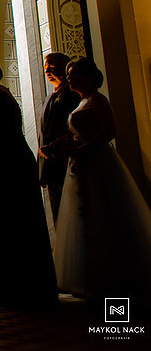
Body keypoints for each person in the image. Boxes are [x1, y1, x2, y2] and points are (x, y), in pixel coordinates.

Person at [52, 57, 151, 300]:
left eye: (74, 74)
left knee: (103, 212)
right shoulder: (82, 101)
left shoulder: (97, 100)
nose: (70, 78)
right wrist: (64, 144)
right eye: (69, 74)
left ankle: (112, 278)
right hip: (81, 161)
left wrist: (82, 149)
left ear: (87, 77)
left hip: (96, 161)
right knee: (83, 214)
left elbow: (108, 132)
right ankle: (88, 276)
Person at [0, 58, 56, 307]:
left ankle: (7, 284)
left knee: (4, 219)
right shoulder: (0, 95)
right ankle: (17, 283)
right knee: (12, 219)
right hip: (12, 160)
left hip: (5, 163)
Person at [37, 52, 80, 225]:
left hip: (66, 161)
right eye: (46, 68)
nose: (48, 71)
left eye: (52, 67)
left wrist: (56, 146)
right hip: (51, 166)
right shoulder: (50, 97)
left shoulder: (73, 95)